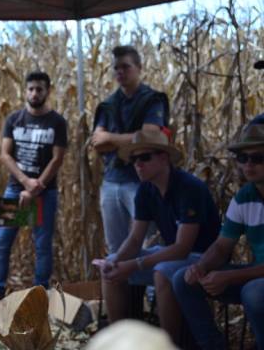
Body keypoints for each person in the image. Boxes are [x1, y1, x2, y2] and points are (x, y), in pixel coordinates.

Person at [99, 128, 220, 345]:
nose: (138, 164)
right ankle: (118, 342)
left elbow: (183, 247)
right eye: (134, 159)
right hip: (175, 254)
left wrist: (135, 264)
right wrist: (117, 260)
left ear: (164, 158)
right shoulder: (145, 190)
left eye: (144, 157)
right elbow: (135, 239)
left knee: (161, 272)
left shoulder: (189, 188)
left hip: (203, 258)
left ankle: (167, 345)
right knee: (111, 266)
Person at [172, 124, 264, 350]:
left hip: (256, 281)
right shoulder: (244, 197)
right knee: (183, 279)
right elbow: (222, 247)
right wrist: (201, 267)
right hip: (256, 274)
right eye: (243, 158)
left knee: (253, 292)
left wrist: (229, 278)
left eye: (258, 157)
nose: (248, 164)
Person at [0, 71, 67, 304]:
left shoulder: (57, 122)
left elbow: (57, 159)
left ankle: (39, 296)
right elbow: (5, 155)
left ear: (47, 91)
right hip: (16, 190)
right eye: (31, 89)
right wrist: (26, 183)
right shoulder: (14, 120)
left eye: (39, 89)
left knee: (42, 246)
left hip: (44, 193)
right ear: (25, 91)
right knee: (2, 243)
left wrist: (36, 187)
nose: (34, 93)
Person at [91, 45, 169, 254]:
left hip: (141, 181)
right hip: (111, 180)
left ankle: (152, 288)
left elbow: (150, 137)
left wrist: (111, 138)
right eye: (116, 68)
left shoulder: (152, 100)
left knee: (149, 244)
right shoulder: (108, 105)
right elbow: (98, 142)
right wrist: (130, 138)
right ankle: (121, 287)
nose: (120, 72)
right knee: (116, 248)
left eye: (126, 67)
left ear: (139, 67)